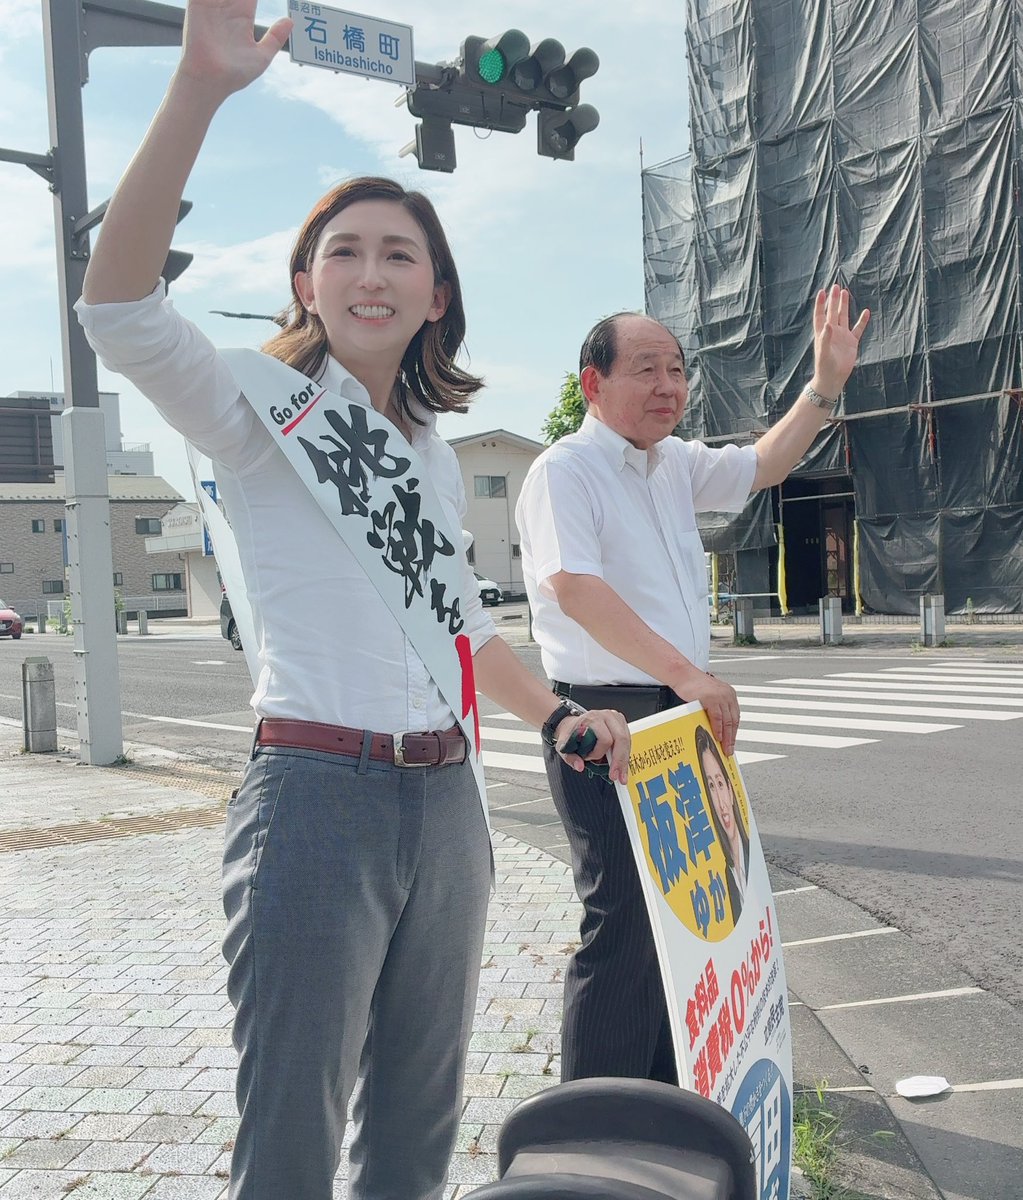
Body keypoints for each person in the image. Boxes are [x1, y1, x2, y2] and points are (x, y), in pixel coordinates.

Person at [75, 4, 630, 1198]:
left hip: (450, 803)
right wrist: (198, 90)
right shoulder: (255, 413)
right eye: (345, 251)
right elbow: (117, 306)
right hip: (316, 796)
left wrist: (556, 715)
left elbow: (462, 626)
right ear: (306, 283)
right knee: (293, 1133)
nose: (371, 272)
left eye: (399, 255)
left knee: (418, 1131)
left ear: (437, 294)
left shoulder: (431, 452)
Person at [516, 296, 869, 1085]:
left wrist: (823, 385)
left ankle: (665, 1098)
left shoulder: (673, 463)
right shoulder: (564, 470)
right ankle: (594, 1117)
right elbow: (574, 588)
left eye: (676, 370)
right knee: (621, 919)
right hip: (602, 717)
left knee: (679, 918)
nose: (668, 386)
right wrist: (684, 672)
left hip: (677, 717)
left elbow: (766, 464)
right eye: (646, 369)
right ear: (593, 383)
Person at [695, 723, 750, 924]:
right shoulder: (721, 876)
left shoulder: (751, 858)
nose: (720, 802)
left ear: (730, 788)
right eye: (710, 786)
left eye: (719, 783)